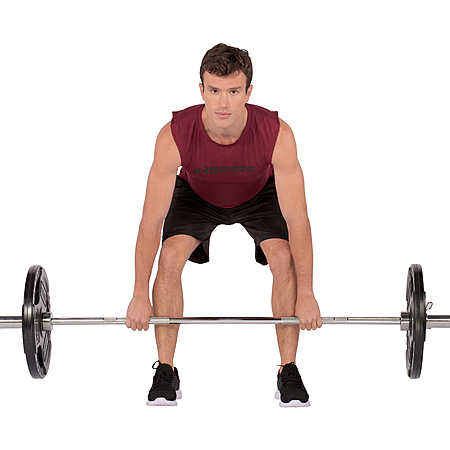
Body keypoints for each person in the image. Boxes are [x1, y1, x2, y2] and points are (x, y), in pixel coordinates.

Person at [126, 43, 322, 407]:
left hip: (258, 195)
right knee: (169, 258)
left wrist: (307, 293)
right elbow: (150, 221)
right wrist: (139, 293)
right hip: (197, 195)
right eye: (214, 90)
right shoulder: (173, 136)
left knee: (283, 258)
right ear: (201, 89)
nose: (223, 102)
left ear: (249, 91)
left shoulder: (277, 134)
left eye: (233, 91)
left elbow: (298, 221)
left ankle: (289, 369)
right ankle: (166, 369)